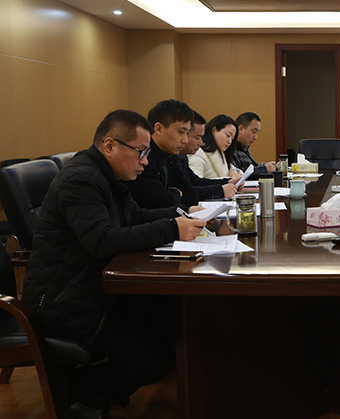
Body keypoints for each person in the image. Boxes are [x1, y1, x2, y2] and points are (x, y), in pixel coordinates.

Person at [21, 110, 206, 418]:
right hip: (64, 301)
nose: (145, 161)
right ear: (110, 146)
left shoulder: (107, 175)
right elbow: (101, 241)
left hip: (92, 288)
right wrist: (172, 229)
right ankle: (77, 392)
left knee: (170, 319)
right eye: (141, 152)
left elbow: (134, 217)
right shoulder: (81, 179)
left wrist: (181, 213)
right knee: (151, 359)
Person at [131, 99, 198, 209]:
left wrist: (172, 195)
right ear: (158, 129)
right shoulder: (143, 158)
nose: (185, 140)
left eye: (187, 133)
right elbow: (162, 202)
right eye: (181, 132)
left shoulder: (170, 156)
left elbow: (192, 194)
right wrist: (177, 193)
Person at [174, 111, 239, 201]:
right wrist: (221, 190)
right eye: (197, 138)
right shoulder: (197, 155)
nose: (229, 141)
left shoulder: (182, 158)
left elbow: (195, 181)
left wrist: (228, 181)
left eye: (232, 138)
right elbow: (188, 191)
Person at [188, 114, 243, 182]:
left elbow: (235, 169)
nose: (230, 141)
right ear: (214, 130)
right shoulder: (198, 153)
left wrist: (234, 171)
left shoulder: (220, 152)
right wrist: (229, 180)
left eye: (232, 139)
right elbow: (195, 183)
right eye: (228, 135)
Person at [232, 112, 276, 180]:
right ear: (240, 129)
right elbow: (239, 174)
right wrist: (264, 169)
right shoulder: (230, 149)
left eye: (257, 133)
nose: (255, 137)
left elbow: (252, 167)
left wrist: (270, 166)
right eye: (253, 132)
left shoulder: (244, 148)